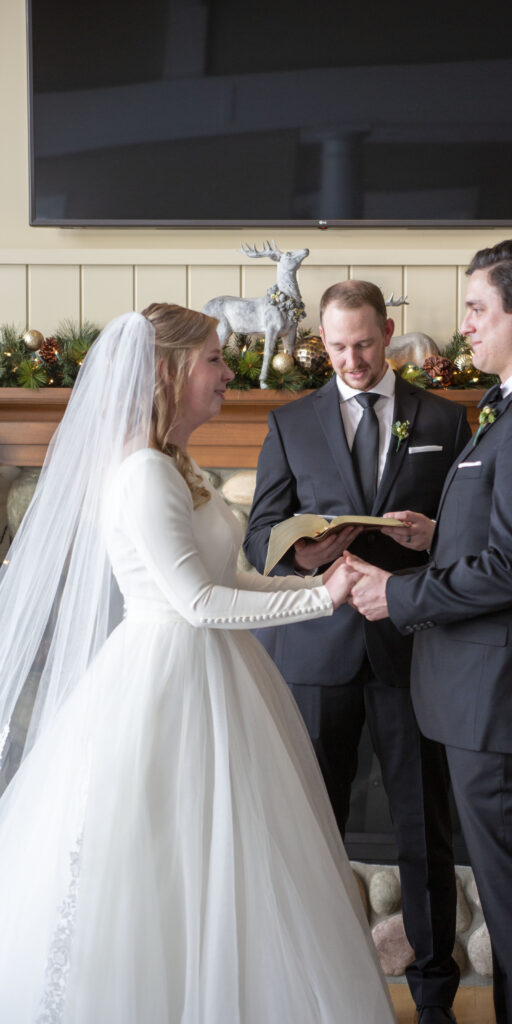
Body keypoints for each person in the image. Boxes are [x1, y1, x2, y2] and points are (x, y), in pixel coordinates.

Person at [0, 303, 398, 1023]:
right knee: (169, 861)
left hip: (219, 674)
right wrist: (321, 601)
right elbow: (197, 604)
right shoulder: (143, 475)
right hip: (169, 680)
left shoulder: (178, 467)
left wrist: (323, 585)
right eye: (213, 359)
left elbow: (234, 579)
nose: (228, 372)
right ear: (168, 372)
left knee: (236, 862)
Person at [347, 240, 512, 1024]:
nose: (465, 325)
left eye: (477, 309)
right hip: (485, 701)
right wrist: (439, 533)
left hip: (501, 705)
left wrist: (403, 593)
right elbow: (508, 540)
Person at [243, 281, 471, 1024]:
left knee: (424, 829)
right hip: (315, 651)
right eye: (337, 347)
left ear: (388, 331)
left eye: (365, 344)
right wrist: (306, 555)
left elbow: (469, 533)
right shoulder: (289, 421)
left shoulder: (444, 419)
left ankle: (435, 998)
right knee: (310, 828)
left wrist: (428, 536)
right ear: (322, 342)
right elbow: (259, 536)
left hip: (411, 648)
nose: (352, 360)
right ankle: (309, 991)